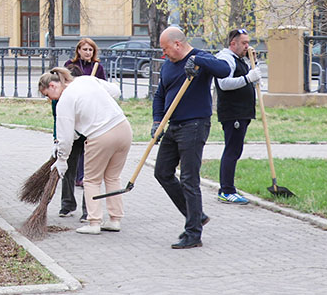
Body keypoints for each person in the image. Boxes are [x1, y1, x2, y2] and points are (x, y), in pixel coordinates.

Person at [151, 26, 232, 249]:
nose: (164, 54)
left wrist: (199, 61)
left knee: (189, 178)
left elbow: (224, 70)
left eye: (166, 49)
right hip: (173, 125)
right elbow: (159, 95)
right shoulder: (168, 64)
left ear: (178, 44)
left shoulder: (201, 58)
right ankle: (195, 215)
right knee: (162, 172)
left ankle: (193, 233)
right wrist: (157, 122)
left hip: (194, 125)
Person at [39, 67, 131, 234]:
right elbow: (115, 91)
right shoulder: (86, 80)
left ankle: (94, 222)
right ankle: (115, 219)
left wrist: (61, 160)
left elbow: (65, 138)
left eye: (46, 95)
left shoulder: (64, 100)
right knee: (112, 177)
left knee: (91, 180)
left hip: (101, 136)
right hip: (124, 129)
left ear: (52, 85)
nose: (49, 99)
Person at [57, 38, 108, 218]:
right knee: (69, 166)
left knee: (89, 169)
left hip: (90, 125)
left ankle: (88, 211)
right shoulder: (69, 66)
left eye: (90, 50)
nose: (87, 52)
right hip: (73, 123)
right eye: (84, 49)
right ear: (78, 50)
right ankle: (67, 204)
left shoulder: (97, 68)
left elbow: (104, 92)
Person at [214, 28, 263, 204]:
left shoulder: (239, 59)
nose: (247, 46)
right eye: (244, 43)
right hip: (232, 112)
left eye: (248, 42)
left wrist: (253, 72)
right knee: (232, 150)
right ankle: (226, 190)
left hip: (242, 112)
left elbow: (247, 79)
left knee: (236, 149)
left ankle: (228, 188)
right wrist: (248, 78)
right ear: (232, 43)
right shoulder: (225, 59)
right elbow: (224, 83)